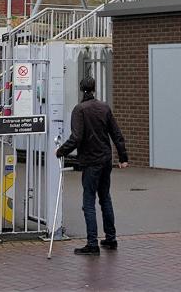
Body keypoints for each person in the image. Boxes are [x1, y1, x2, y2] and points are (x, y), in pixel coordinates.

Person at [56, 76, 128, 256]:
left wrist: (61, 151)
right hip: (105, 160)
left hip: (90, 162)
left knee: (88, 201)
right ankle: (111, 239)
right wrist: (123, 157)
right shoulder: (104, 107)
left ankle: (92, 243)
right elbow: (116, 134)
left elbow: (77, 137)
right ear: (94, 88)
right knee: (105, 198)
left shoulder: (79, 110)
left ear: (81, 89)